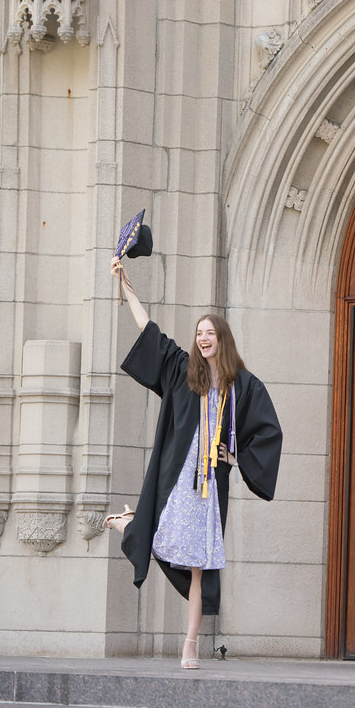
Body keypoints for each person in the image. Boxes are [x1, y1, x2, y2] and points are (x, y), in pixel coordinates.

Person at [107, 255, 283, 668]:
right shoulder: (182, 371)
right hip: (178, 476)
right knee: (162, 537)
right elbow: (148, 330)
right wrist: (126, 286)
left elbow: (267, 430)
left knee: (199, 567)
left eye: (209, 333)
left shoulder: (242, 386)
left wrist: (235, 456)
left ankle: (191, 646)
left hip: (210, 484)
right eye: (199, 333)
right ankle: (131, 524)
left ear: (221, 338)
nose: (203, 338)